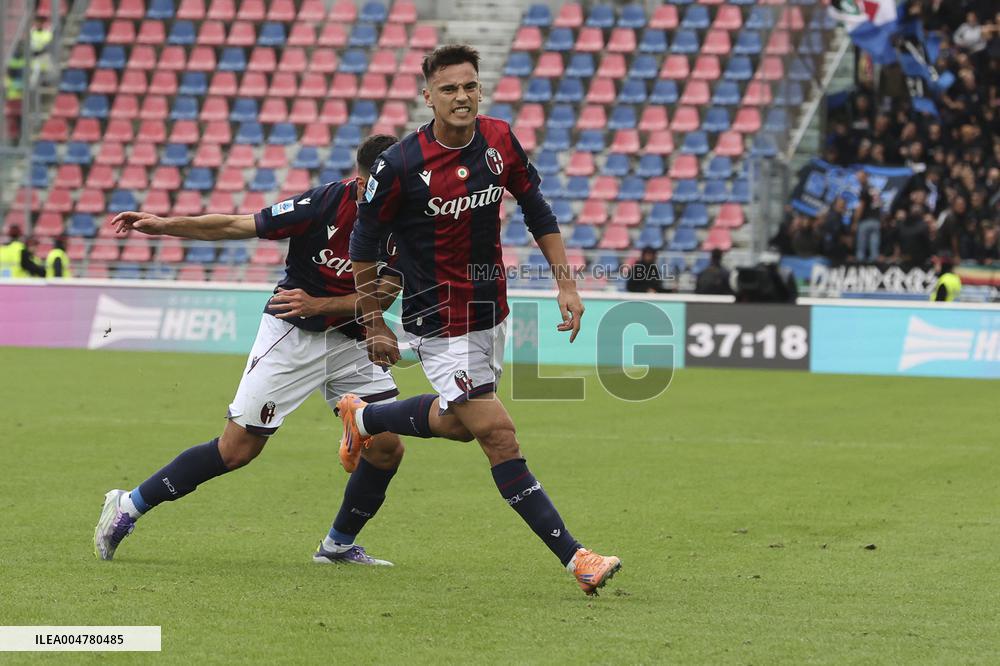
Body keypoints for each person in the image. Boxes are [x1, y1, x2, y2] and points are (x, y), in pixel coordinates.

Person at [345, 44, 620, 595]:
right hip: (436, 318)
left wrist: (566, 281)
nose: (462, 96)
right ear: (428, 97)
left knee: (458, 425)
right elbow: (364, 248)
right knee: (498, 434)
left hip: (490, 310)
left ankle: (366, 419)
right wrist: (374, 323)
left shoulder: (499, 139)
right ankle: (577, 559)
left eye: (470, 85)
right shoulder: (398, 164)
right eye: (449, 88)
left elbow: (535, 206)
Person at [94, 135, 408, 566]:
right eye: (382, 187)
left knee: (387, 446)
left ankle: (336, 546)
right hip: (292, 335)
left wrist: (328, 306)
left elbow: (386, 292)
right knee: (236, 451)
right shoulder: (322, 205)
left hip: (351, 342)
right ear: (360, 181)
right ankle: (127, 505)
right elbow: (234, 225)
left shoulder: (409, 218)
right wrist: (165, 225)